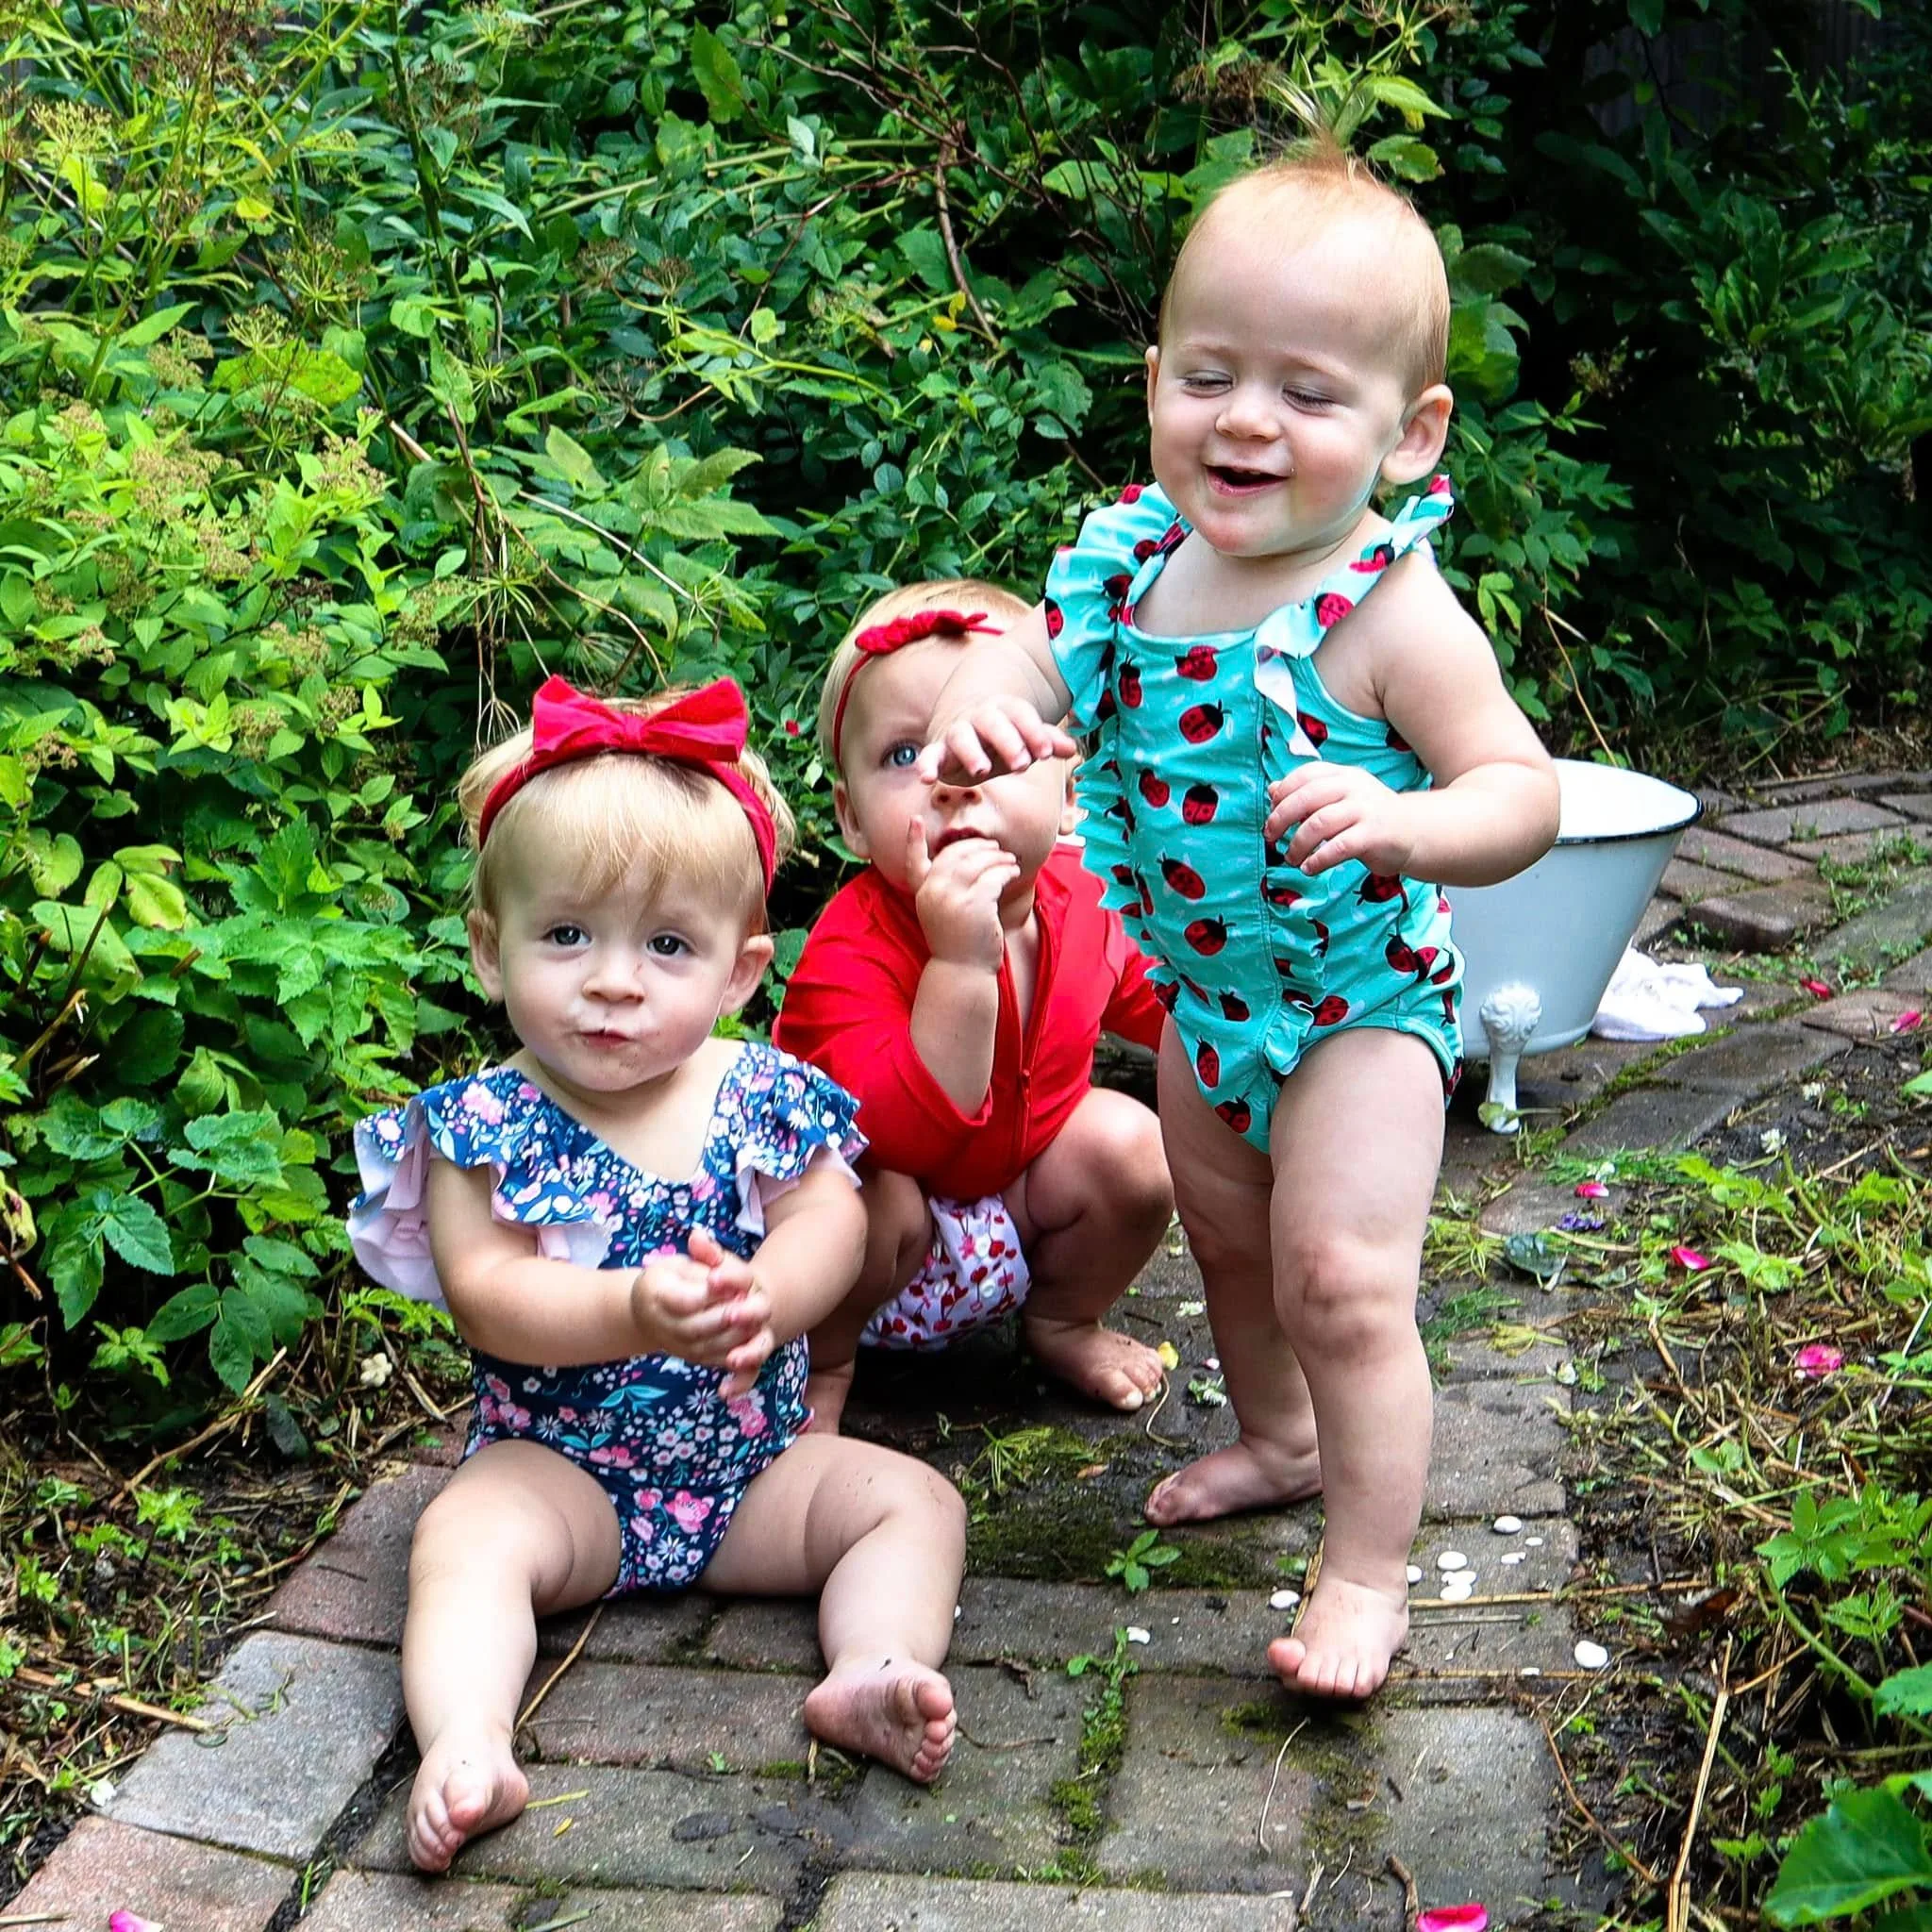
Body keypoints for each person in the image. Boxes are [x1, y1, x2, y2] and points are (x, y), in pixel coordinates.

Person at [916, 141, 1562, 1700]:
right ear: (1154, 384)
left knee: (1338, 1276)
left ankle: (1368, 1570)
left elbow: (1523, 792)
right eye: (1208, 375)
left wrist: (1409, 823)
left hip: (1358, 1009)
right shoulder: (1129, 565)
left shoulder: (1390, 610)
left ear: (1409, 435)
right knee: (1226, 1245)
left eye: (1307, 392)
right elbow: (1029, 659)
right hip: (1207, 1010)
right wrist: (978, 698)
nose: (1246, 419)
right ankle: (1278, 1438)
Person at [348, 675, 966, 1874]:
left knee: (912, 1502)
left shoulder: (757, 1090)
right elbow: (489, 1295)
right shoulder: (482, 1125)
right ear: (489, 949)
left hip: (751, 1466)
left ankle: (871, 1664)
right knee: (463, 1537)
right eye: (567, 935)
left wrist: (770, 1297)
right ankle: (467, 1738)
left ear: (739, 972)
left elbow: (831, 1220)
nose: (614, 979)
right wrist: (632, 1305)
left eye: (666, 944)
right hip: (560, 1477)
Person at [774, 580, 1174, 1437]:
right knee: (861, 1195)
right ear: (850, 818)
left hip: (1010, 1218)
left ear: (1071, 794)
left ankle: (1062, 1320)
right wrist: (959, 963)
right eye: (903, 755)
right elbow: (901, 1138)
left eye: (993, 743)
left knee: (1134, 1149)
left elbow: (1173, 1010)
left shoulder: (1093, 899)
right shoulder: (851, 949)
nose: (952, 778)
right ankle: (822, 1372)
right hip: (868, 1263)